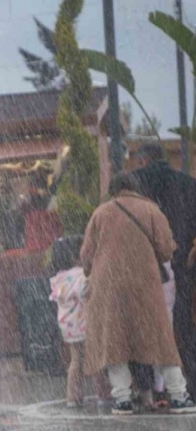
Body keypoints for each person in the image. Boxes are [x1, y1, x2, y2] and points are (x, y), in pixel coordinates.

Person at [81, 172, 196, 415]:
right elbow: (166, 250)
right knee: (160, 339)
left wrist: (93, 268)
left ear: (113, 190)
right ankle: (178, 395)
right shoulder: (151, 210)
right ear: (136, 188)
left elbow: (86, 255)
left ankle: (122, 400)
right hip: (144, 284)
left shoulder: (100, 214)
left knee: (115, 343)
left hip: (108, 286)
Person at [132, 143, 196, 396]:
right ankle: (187, 384)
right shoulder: (189, 184)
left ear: (143, 160)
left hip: (146, 267)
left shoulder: (135, 186)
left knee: (146, 328)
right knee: (182, 327)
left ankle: (150, 388)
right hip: (183, 267)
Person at [48, 235, 110, 408]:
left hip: (68, 327)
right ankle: (103, 394)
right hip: (86, 324)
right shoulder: (81, 275)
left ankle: (72, 397)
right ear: (76, 256)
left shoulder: (59, 278)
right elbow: (87, 292)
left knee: (76, 361)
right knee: (95, 360)